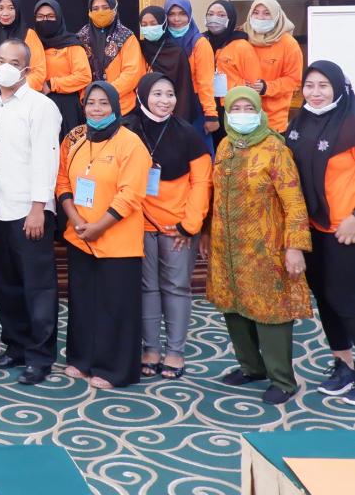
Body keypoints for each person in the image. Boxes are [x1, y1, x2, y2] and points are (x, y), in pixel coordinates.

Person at [208, 87, 311, 404]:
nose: (242, 114)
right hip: (227, 247)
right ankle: (251, 367)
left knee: (271, 312)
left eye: (248, 108)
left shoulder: (275, 149)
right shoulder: (225, 145)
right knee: (233, 307)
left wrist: (295, 247)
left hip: (265, 247)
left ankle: (283, 380)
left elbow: (294, 203)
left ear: (259, 111)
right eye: (236, 108)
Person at [56, 81, 151, 389]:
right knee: (83, 302)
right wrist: (76, 219)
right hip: (79, 236)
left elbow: (131, 194)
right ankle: (82, 359)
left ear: (115, 106)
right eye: (91, 103)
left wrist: (99, 226)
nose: (96, 109)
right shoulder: (76, 139)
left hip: (117, 241)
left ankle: (114, 369)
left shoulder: (130, 143)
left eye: (103, 103)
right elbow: (62, 181)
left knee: (115, 307)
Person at [0, 40, 63, 385]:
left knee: (37, 287)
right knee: (7, 285)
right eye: (0, 60)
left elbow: (47, 159)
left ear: (26, 69)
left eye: (13, 62)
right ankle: (15, 346)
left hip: (30, 211)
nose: (5, 67)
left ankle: (40, 356)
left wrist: (38, 208)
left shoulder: (41, 107)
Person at [123, 73, 212, 380]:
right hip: (139, 224)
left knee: (176, 287)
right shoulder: (127, 129)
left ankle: (175, 351)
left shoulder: (189, 134)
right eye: (157, 94)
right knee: (147, 287)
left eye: (170, 94)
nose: (165, 100)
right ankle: (150, 349)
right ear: (143, 95)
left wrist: (190, 225)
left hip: (178, 226)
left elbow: (202, 181)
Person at [284, 62, 355, 402]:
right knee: (326, 296)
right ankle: (344, 364)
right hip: (313, 228)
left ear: (338, 87)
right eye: (309, 85)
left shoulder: (351, 123)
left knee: (347, 300)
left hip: (346, 229)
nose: (315, 93)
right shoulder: (298, 123)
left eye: (323, 85)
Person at [32, 0, 92, 138]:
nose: (45, 20)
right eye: (40, 17)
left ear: (58, 18)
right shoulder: (31, 43)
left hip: (66, 108)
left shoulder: (72, 45)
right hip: (36, 107)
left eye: (50, 16)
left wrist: (51, 84)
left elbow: (84, 76)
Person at [77, 0, 144, 116]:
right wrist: (88, 96)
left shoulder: (126, 37)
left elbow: (132, 73)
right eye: (95, 9)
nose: (100, 12)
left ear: (114, 9)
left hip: (122, 108)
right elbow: (79, 72)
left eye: (105, 7)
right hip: (91, 109)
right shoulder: (81, 38)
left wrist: (107, 93)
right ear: (90, 12)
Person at [243, 0, 303, 131]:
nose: (260, 17)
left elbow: (294, 81)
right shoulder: (241, 38)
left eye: (267, 13)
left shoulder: (289, 44)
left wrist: (266, 87)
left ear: (276, 16)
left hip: (274, 121)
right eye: (256, 13)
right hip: (242, 118)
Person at [204, 0, 262, 134]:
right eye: (210, 14)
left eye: (221, 15)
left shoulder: (242, 46)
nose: (214, 18)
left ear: (230, 18)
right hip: (206, 108)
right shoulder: (201, 42)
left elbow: (253, 85)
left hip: (233, 109)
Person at [165, 0, 219, 137]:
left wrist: (210, 114)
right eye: (171, 14)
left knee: (196, 148)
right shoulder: (162, 42)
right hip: (166, 104)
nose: (176, 19)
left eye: (182, 14)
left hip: (194, 105)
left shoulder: (199, 43)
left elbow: (205, 82)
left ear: (189, 15)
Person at [137, 6, 193, 122]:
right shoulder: (138, 48)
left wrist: (179, 120)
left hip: (168, 112)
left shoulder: (176, 52)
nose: (149, 28)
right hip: (141, 113)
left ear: (164, 24)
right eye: (144, 24)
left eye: (153, 23)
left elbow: (183, 88)